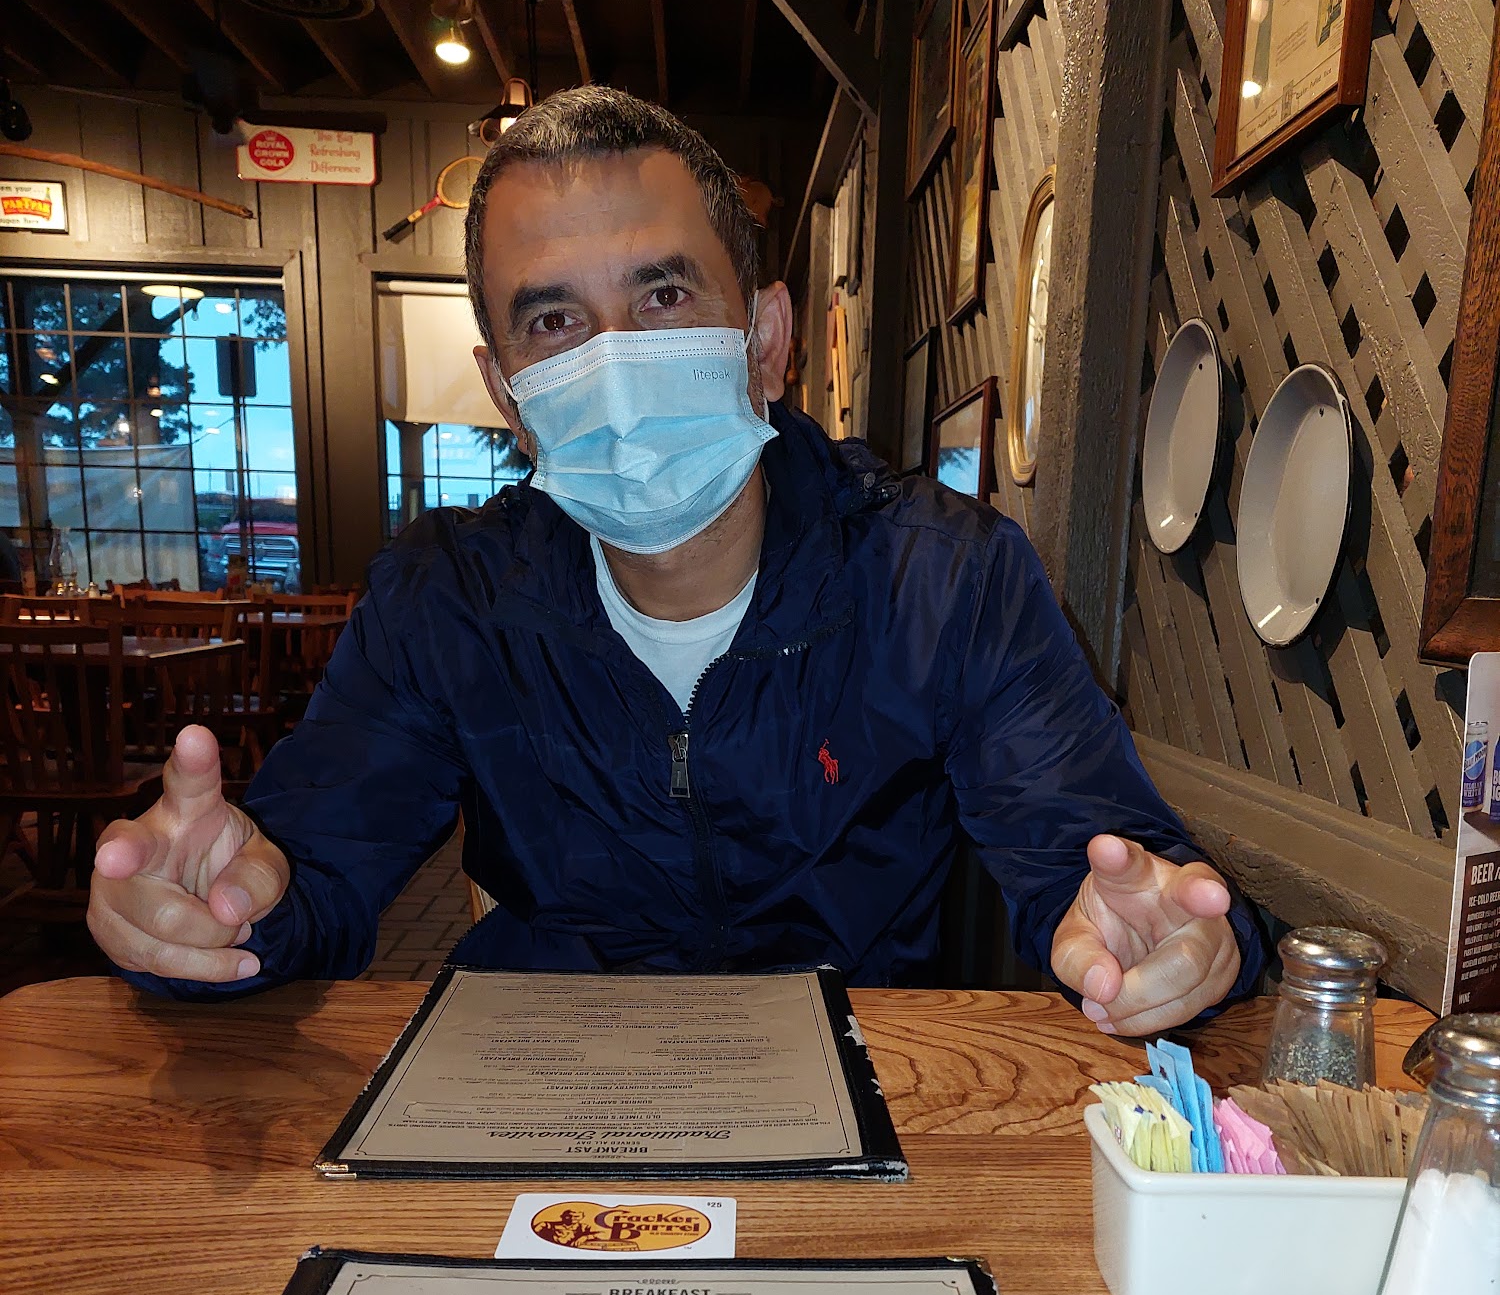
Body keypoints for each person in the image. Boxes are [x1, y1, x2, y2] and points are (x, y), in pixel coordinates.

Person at [88, 87, 1263, 1037]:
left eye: (661, 294)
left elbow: (1095, 856)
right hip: (544, 1092)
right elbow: (310, 877)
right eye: (554, 321)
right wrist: (213, 912)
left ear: (765, 339)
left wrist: (1177, 940)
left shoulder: (946, 579)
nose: (613, 361)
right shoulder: (449, 595)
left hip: (855, 1083)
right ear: (508, 392)